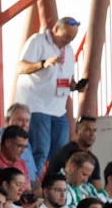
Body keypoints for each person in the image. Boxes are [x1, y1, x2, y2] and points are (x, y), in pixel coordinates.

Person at [13, 17, 82, 181]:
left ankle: (54, 186)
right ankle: (34, 185)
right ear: (56, 29)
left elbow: (67, 77)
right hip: (37, 106)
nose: (69, 41)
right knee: (40, 151)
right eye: (66, 36)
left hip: (59, 108)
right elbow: (20, 67)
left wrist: (75, 86)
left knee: (60, 154)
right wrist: (42, 64)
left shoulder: (69, 50)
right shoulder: (38, 41)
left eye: (72, 38)